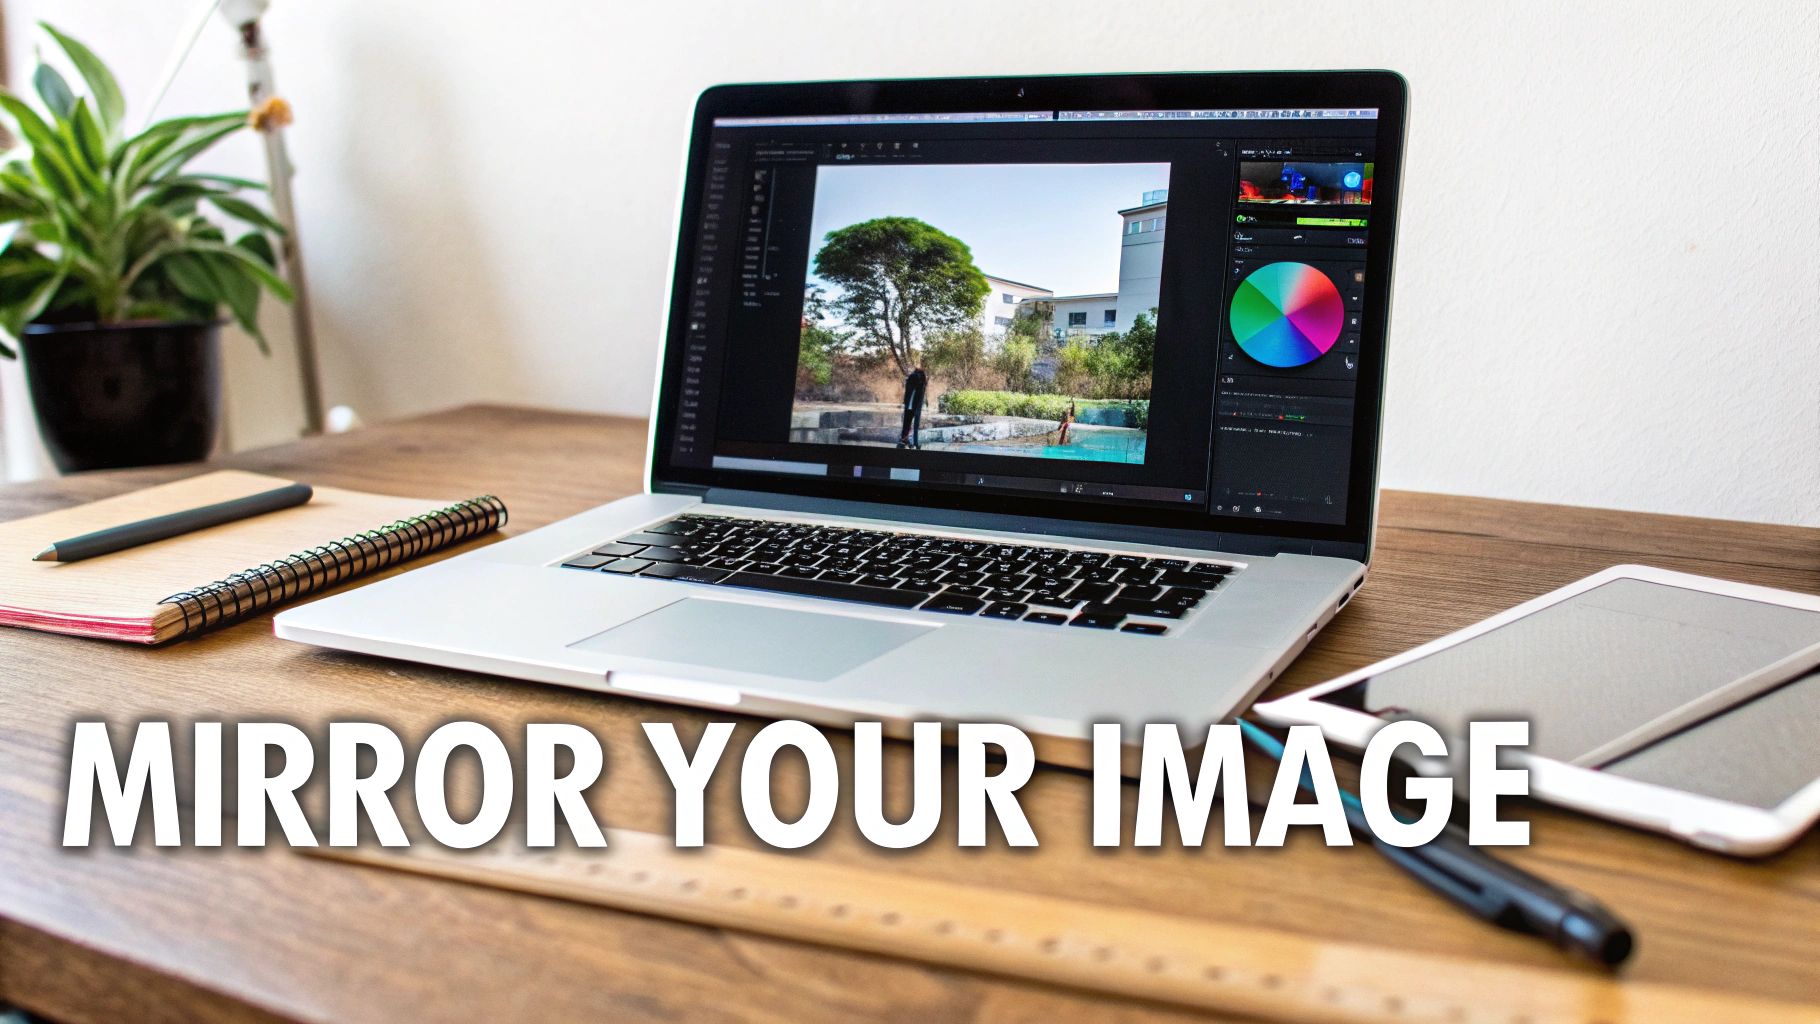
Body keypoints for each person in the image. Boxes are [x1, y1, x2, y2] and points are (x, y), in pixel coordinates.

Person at [898, 365, 927, 449]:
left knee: (909, 424)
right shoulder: (918, 380)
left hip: (913, 406)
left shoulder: (918, 380)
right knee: (911, 424)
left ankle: (911, 441)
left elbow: (918, 394)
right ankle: (908, 440)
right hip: (912, 406)